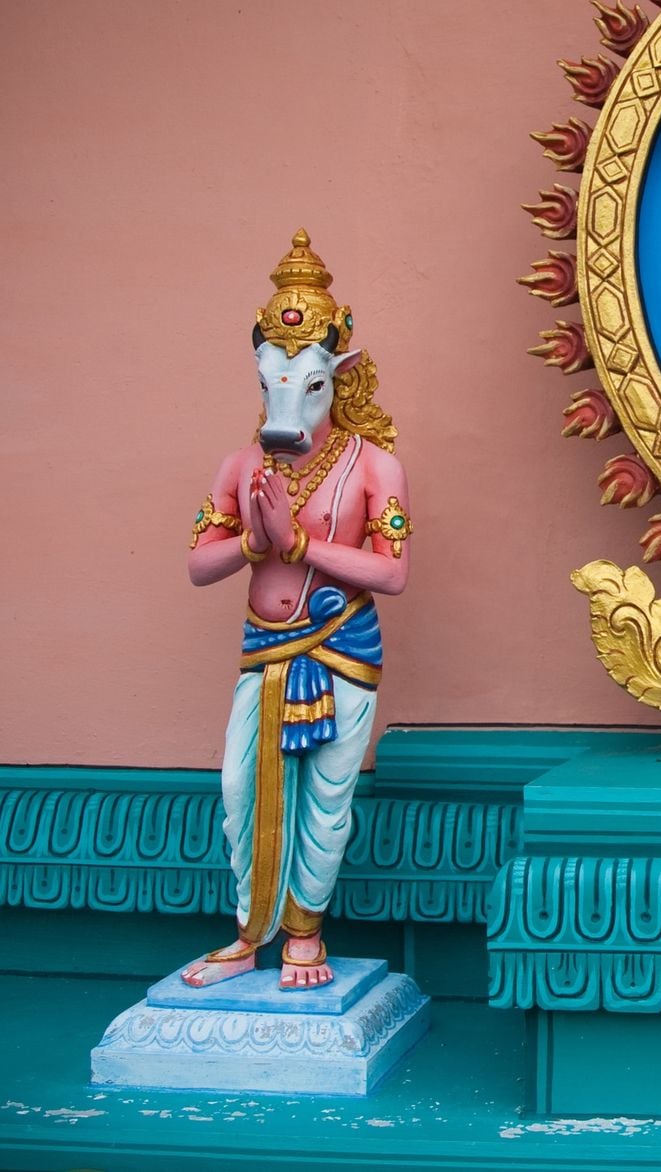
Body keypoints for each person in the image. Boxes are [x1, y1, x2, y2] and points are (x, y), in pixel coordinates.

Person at [180, 232, 412, 991]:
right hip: (265, 648)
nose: (288, 403)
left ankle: (304, 934)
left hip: (342, 646)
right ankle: (248, 933)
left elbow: (394, 572)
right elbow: (196, 565)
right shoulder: (241, 465)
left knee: (327, 797)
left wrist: (302, 543)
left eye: (307, 384)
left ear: (335, 379)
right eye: (273, 384)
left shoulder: (375, 466)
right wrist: (254, 541)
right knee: (241, 787)